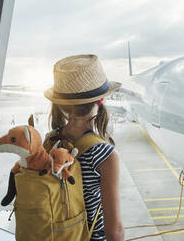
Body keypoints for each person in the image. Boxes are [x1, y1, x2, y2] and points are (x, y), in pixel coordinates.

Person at [43, 54, 124, 241]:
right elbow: (114, 231)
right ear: (100, 101)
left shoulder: (50, 141)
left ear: (62, 106)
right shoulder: (105, 154)